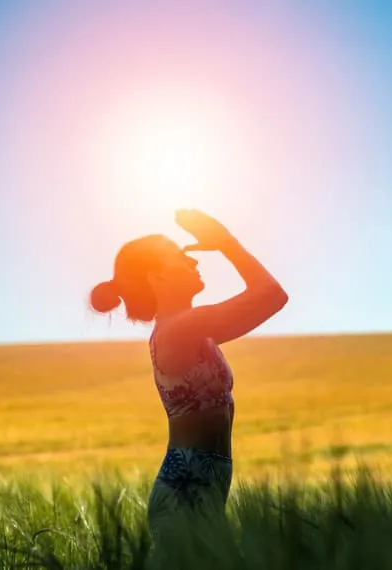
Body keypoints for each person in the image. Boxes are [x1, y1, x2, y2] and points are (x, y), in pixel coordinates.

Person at [89, 208, 289, 561]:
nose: (195, 263)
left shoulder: (189, 328)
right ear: (156, 278)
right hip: (184, 495)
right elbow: (272, 296)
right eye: (181, 259)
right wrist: (227, 243)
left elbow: (269, 298)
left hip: (201, 489)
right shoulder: (180, 331)